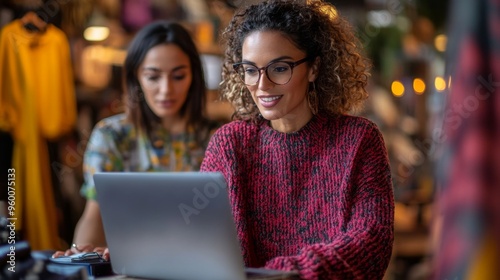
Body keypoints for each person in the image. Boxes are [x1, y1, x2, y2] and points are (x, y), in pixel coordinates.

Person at [199, 0, 394, 279]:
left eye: (279, 68)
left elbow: (372, 243)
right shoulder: (229, 144)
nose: (262, 85)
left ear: (314, 68)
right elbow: (199, 237)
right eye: (251, 70)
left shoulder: (359, 140)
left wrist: (286, 274)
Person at [53, 20, 218, 257]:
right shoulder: (111, 136)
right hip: (130, 262)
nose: (166, 90)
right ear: (135, 77)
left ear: (194, 76)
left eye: (178, 76)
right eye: (153, 77)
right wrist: (81, 255)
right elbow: (94, 214)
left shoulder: (216, 139)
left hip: (201, 258)